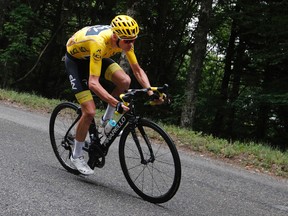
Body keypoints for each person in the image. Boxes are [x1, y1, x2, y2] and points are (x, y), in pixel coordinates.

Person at [65, 15, 161, 175]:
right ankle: (76, 155)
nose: (131, 44)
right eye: (127, 41)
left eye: (134, 40)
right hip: (76, 62)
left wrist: (151, 91)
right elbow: (93, 83)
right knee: (89, 112)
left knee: (125, 81)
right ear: (115, 36)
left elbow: (137, 70)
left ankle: (107, 121)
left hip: (96, 57)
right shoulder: (99, 42)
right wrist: (115, 102)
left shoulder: (125, 39)